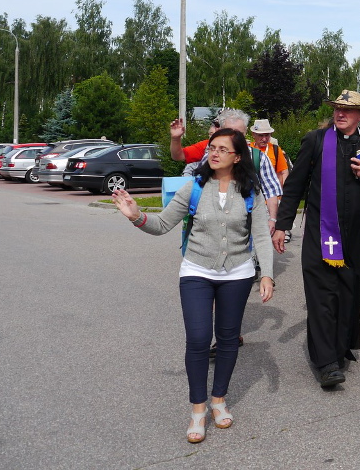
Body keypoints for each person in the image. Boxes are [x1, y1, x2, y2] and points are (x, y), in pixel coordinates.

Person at [113, 128, 274, 444]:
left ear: (237, 156)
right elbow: (161, 225)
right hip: (196, 270)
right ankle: (198, 410)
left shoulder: (250, 191)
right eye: (211, 148)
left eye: (222, 149)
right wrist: (136, 216)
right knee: (199, 338)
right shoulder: (194, 188)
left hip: (238, 274)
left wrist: (266, 274)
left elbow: (263, 236)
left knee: (228, 339)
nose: (213, 153)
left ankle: (218, 400)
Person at [272, 90, 360, 388]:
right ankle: (326, 362)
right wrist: (281, 224)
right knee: (322, 295)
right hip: (320, 232)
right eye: (337, 109)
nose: (340, 114)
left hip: (355, 234)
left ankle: (339, 350)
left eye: (347, 110)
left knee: (349, 293)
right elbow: (296, 185)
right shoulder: (316, 140)